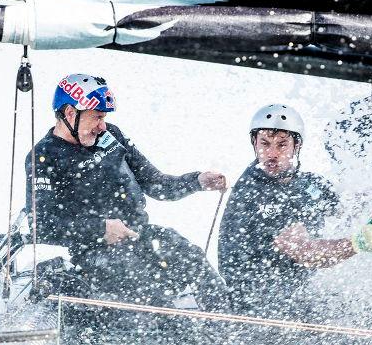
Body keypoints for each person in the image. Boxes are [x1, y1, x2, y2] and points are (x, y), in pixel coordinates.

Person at [25, 73, 230, 320]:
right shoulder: (44, 156)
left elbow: (156, 183)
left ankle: (228, 328)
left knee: (192, 258)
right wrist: (100, 229)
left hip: (142, 236)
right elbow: (42, 225)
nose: (102, 125)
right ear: (70, 113)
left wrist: (196, 181)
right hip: (97, 254)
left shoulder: (111, 135)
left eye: (104, 118)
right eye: (97, 117)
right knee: (153, 302)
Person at [217, 103, 372, 327]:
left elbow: (345, 206)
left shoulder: (307, 183)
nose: (272, 154)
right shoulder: (255, 193)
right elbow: (305, 253)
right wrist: (356, 243)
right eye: (265, 144)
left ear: (296, 146)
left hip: (293, 298)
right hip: (260, 311)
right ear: (254, 144)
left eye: (282, 145)